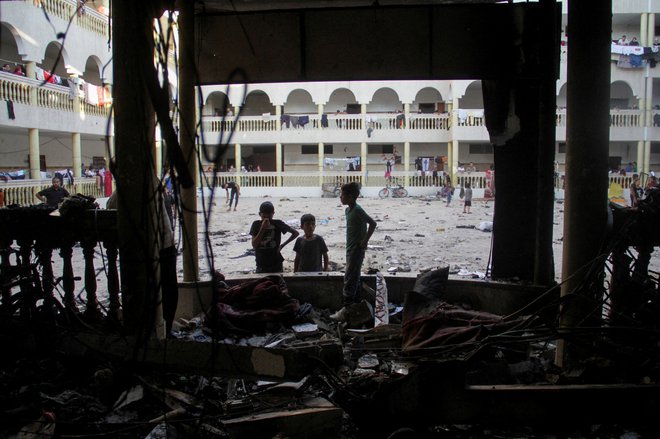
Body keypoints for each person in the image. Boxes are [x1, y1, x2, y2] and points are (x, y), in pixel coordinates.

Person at [337, 182, 376, 308]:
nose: (340, 197)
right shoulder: (348, 210)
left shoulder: (358, 210)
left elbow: (373, 224)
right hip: (350, 248)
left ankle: (347, 308)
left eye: (342, 195)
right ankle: (357, 305)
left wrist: (365, 241)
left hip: (356, 249)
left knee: (349, 279)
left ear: (351, 196)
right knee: (354, 276)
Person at [249, 201, 299, 273]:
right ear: (260, 214)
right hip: (261, 262)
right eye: (264, 216)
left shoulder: (277, 223)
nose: (267, 219)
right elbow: (254, 245)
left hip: (276, 262)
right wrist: (263, 228)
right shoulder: (256, 224)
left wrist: (282, 246)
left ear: (273, 214)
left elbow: (295, 233)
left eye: (269, 216)